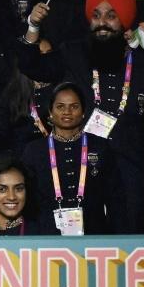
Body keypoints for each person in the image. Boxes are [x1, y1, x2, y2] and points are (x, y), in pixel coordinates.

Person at [20, 0, 144, 232]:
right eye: (96, 15)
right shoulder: (73, 53)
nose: (102, 23)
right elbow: (31, 65)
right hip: (79, 170)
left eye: (111, 16)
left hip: (130, 173)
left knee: (129, 247)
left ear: (125, 22)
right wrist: (33, 27)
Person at [23, 82, 125, 235]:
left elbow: (115, 199)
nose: (67, 112)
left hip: (95, 234)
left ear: (83, 112)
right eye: (60, 107)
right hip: (46, 236)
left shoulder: (100, 146)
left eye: (74, 106)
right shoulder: (34, 150)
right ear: (50, 112)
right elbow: (28, 200)